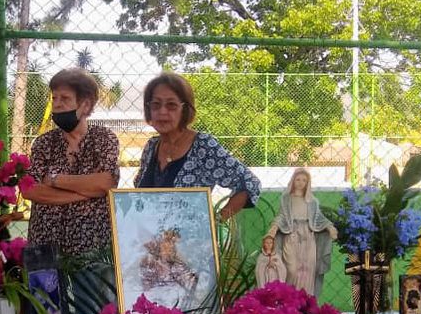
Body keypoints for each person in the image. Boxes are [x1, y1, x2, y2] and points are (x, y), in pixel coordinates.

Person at [23, 68, 120, 314]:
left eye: (64, 99)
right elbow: (30, 189)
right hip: (46, 239)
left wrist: (55, 179)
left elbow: (106, 182)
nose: (56, 105)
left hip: (91, 241)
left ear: (85, 105)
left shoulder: (103, 139)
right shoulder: (44, 143)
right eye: (54, 98)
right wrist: (84, 192)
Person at [135, 73, 262, 220]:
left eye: (171, 105)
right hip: (150, 241)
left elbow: (250, 184)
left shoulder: (203, 145)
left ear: (185, 110)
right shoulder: (151, 147)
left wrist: (217, 221)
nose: (162, 111)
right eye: (156, 104)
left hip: (191, 241)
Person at [266, 168, 338, 297]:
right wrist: (274, 228)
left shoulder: (313, 201)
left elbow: (319, 218)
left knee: (308, 270)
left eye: (304, 180)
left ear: (308, 183)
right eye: (298, 179)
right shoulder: (286, 199)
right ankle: (289, 299)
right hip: (291, 235)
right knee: (292, 269)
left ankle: (306, 302)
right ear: (293, 180)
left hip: (308, 237)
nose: (300, 182)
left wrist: (330, 227)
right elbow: (282, 216)